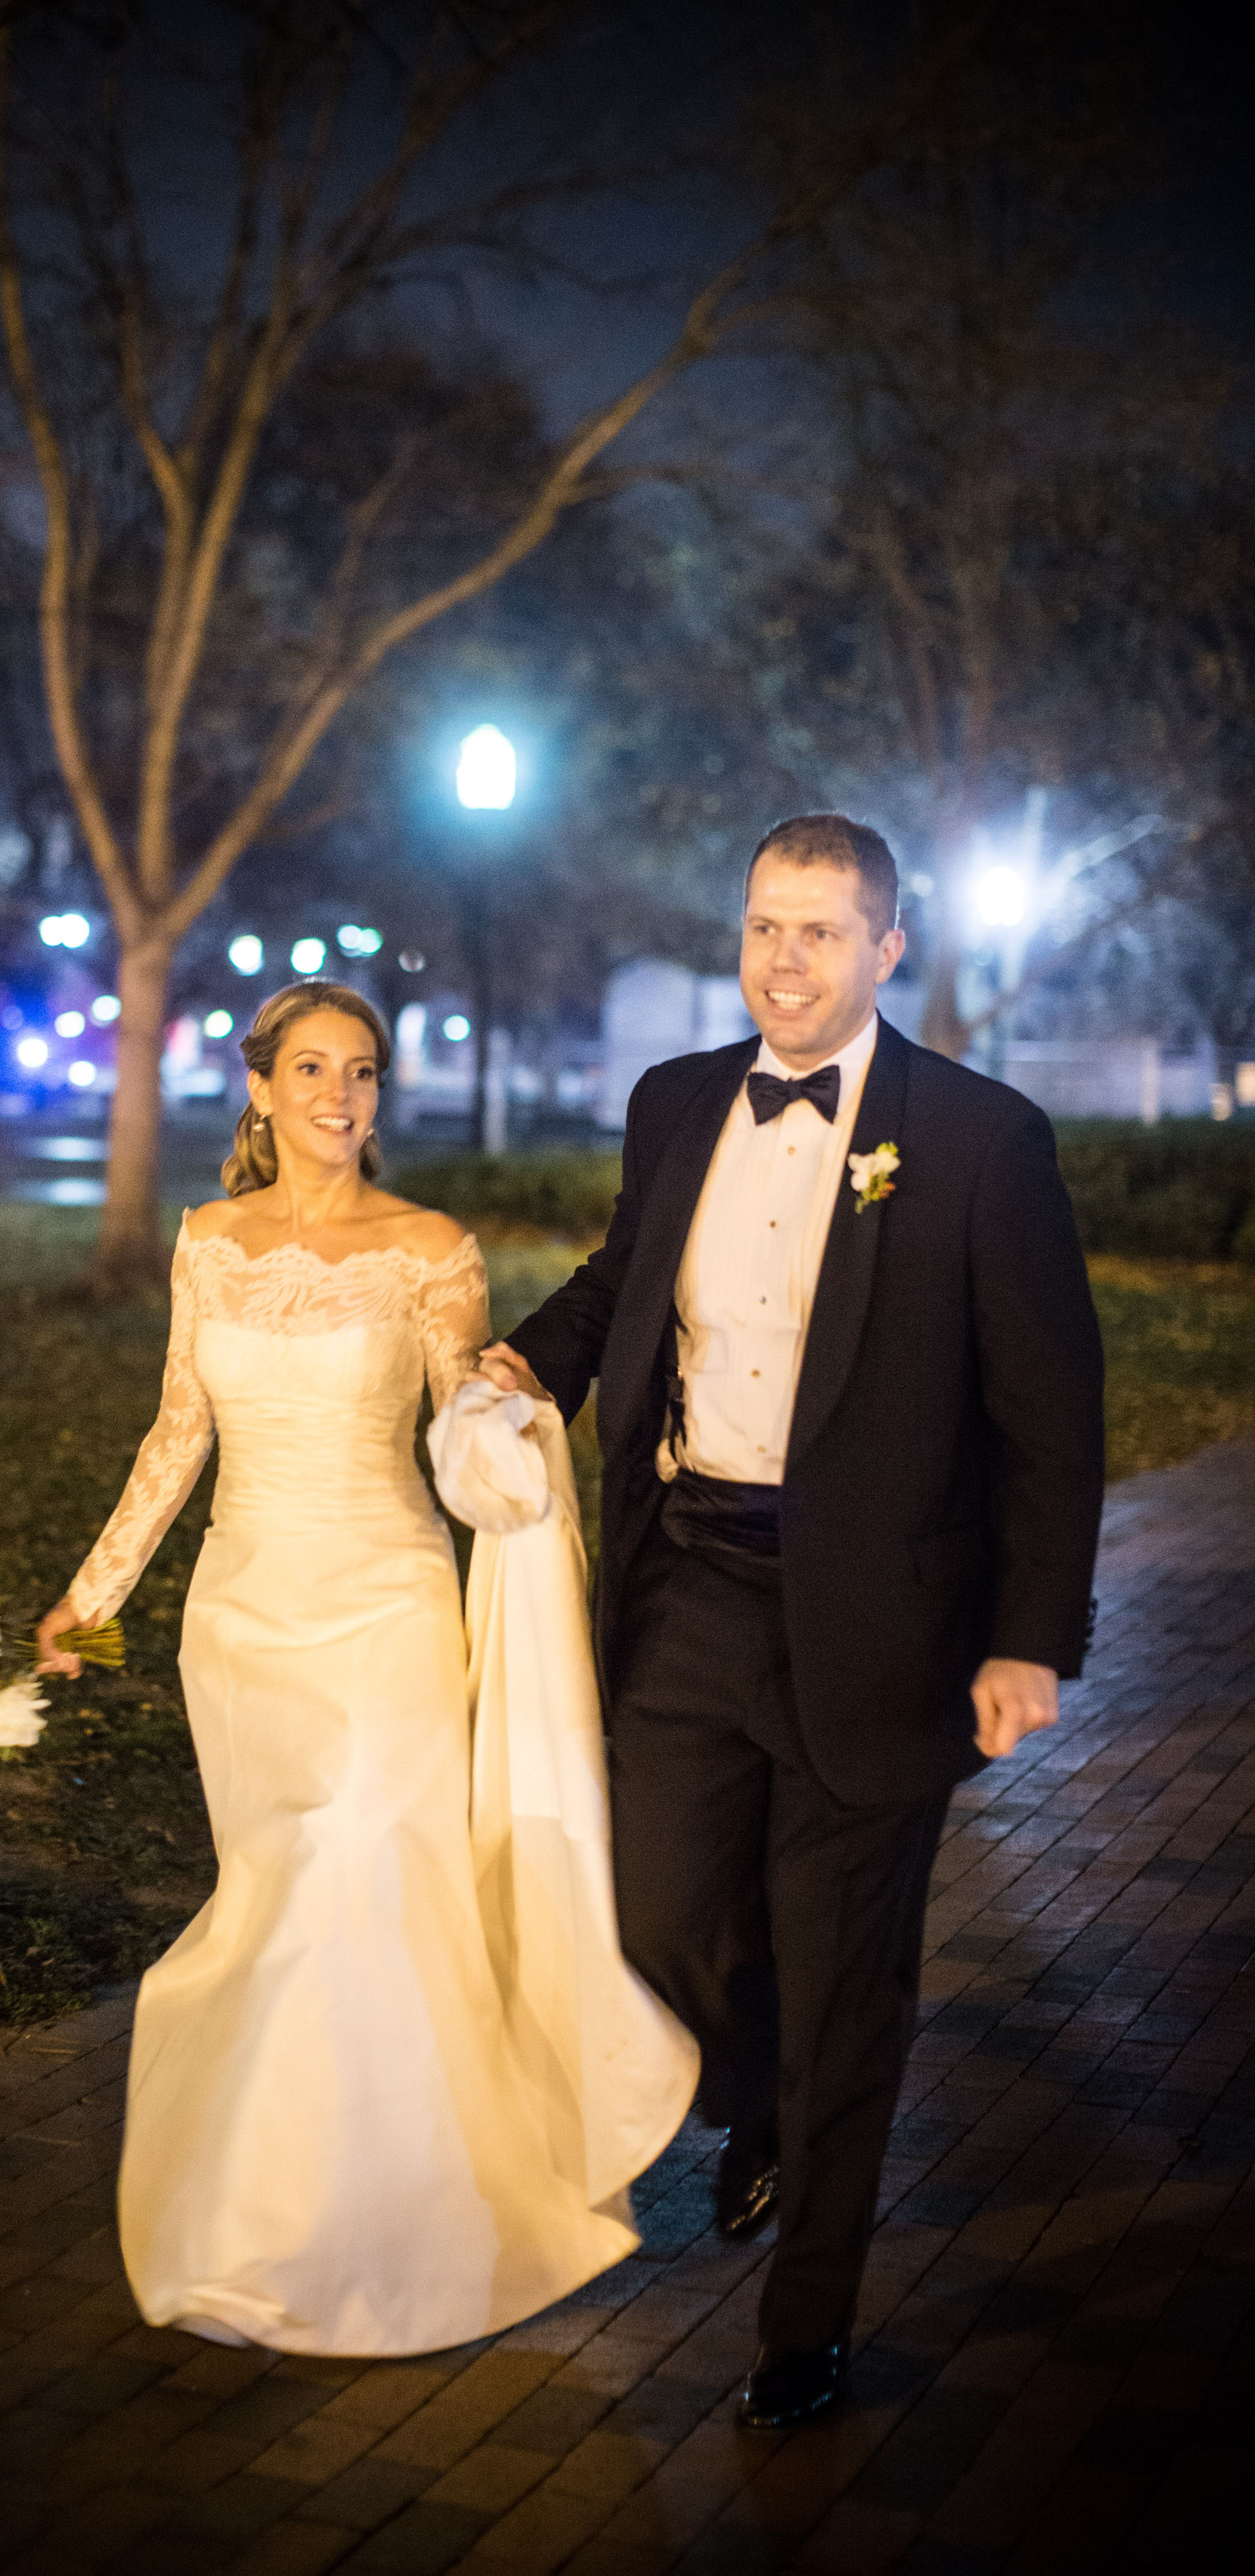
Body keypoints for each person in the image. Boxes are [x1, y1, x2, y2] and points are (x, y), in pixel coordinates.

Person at [481, 815, 1104, 2430]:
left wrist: (1026, 1632)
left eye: (820, 931)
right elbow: (625, 1275)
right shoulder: (674, 1099)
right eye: (764, 924)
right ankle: (749, 2090)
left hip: (877, 1626)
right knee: (655, 1915)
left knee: (844, 1985)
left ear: (885, 948)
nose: (783, 958)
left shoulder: (978, 1140)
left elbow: (1049, 1417)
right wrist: (530, 1359)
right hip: (686, 1582)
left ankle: (805, 2321)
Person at [36, 980, 695, 2357]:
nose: (340, 1094)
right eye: (313, 1068)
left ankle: (399, 2216)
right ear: (260, 1087)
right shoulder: (205, 1242)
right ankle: (280, 2208)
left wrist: (508, 1431)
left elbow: (461, 1421)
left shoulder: (430, 1251)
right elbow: (177, 1431)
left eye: (363, 1071)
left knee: (361, 1879)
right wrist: (88, 1602)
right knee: (279, 1900)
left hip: (387, 1608)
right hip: (240, 1618)